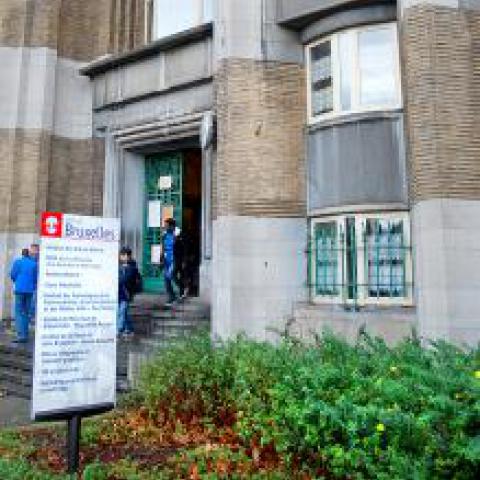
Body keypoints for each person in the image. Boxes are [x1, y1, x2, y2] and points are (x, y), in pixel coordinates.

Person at [10, 248, 38, 343]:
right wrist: (32, 286)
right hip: (30, 290)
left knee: (19, 312)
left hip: (20, 290)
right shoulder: (34, 264)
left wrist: (17, 281)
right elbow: (35, 278)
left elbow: (13, 274)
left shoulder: (17, 262)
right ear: (29, 255)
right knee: (26, 312)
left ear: (22, 254)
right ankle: (25, 334)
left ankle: (21, 335)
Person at [161, 218, 186, 307]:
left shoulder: (178, 235)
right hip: (166, 259)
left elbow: (183, 249)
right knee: (166, 278)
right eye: (165, 225)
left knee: (171, 275)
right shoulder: (164, 235)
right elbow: (163, 247)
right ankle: (171, 297)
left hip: (175, 259)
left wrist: (183, 260)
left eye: (167, 225)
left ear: (172, 226)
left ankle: (182, 288)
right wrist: (161, 259)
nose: (165, 227)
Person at [117, 246, 141, 338]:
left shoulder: (132, 268)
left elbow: (125, 279)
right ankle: (130, 329)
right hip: (118, 293)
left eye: (127, 255)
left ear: (130, 256)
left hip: (126, 294)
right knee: (124, 312)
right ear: (120, 256)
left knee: (122, 311)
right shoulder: (117, 266)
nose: (125, 256)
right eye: (123, 254)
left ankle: (119, 330)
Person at [29, 243, 40, 321]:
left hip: (36, 284)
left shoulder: (40, 259)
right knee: (31, 301)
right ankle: (31, 317)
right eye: (33, 249)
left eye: (36, 250)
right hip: (30, 284)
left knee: (34, 301)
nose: (34, 251)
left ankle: (33, 317)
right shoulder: (28, 259)